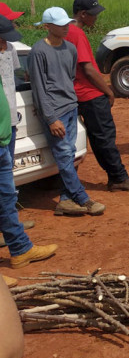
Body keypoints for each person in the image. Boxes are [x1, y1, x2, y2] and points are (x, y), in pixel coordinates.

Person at [28, 8, 105, 217]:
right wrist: (51, 118)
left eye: (66, 24)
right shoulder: (38, 52)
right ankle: (82, 198)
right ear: (46, 27)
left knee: (69, 155)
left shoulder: (70, 48)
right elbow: (39, 88)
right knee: (64, 155)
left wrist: (74, 106)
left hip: (71, 108)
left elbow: (70, 78)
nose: (65, 27)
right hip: (56, 112)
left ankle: (64, 200)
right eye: (60, 24)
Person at [65, 0, 129, 192]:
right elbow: (88, 68)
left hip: (75, 92)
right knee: (104, 137)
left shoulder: (65, 31)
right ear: (83, 14)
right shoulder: (77, 34)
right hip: (90, 94)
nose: (96, 17)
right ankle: (118, 178)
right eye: (93, 14)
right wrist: (107, 90)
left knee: (84, 137)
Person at [0, 18, 58, 288]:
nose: (5, 45)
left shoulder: (7, 51)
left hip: (4, 135)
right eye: (2, 39)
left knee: (6, 193)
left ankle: (20, 248)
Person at [0, 6, 36, 247]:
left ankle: (10, 225)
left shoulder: (10, 49)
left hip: (9, 122)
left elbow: (16, 75)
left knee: (7, 180)